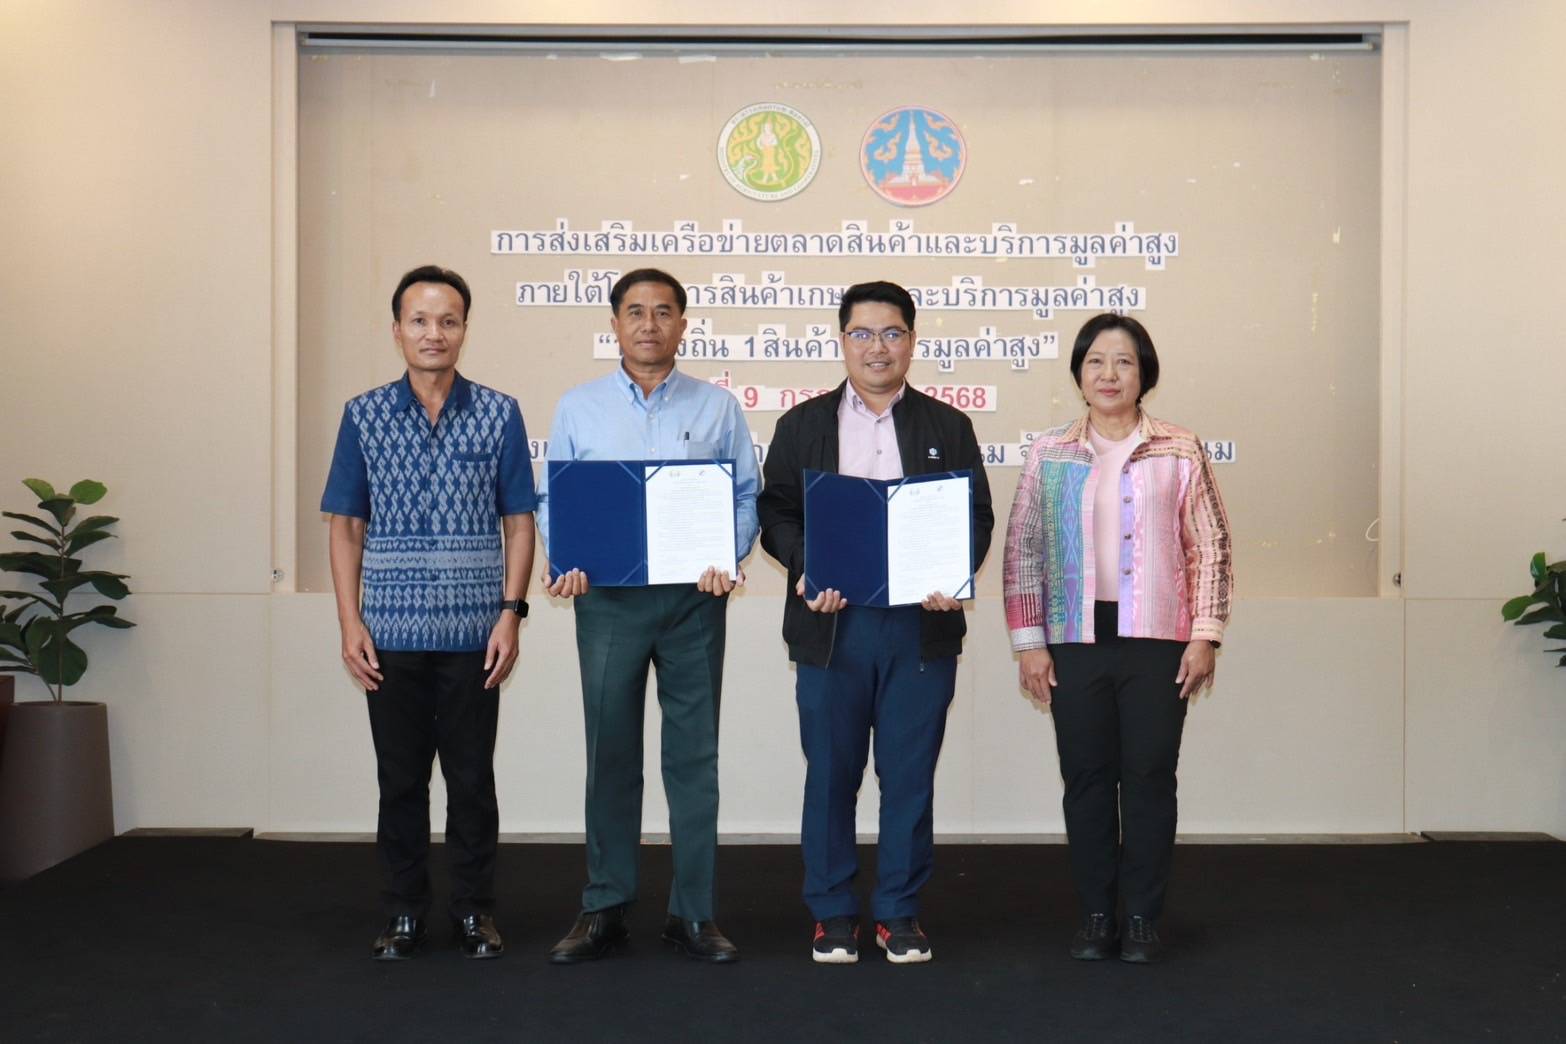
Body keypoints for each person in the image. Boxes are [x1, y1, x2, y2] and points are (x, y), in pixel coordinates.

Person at [758, 280, 994, 965]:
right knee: (830, 773)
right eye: (862, 333)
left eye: (892, 333)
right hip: (833, 625)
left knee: (909, 773)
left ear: (912, 342)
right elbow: (776, 512)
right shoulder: (802, 425)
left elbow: (974, 515)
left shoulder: (949, 426)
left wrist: (953, 573)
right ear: (841, 341)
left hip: (919, 628)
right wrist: (805, 566)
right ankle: (831, 912)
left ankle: (899, 910)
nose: (877, 347)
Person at [536, 268, 759, 964]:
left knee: (694, 760)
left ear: (683, 326)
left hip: (694, 601)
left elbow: (745, 495)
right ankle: (604, 906)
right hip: (606, 602)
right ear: (615, 324)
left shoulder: (718, 407)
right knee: (610, 756)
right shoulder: (578, 407)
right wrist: (564, 557)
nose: (649, 325)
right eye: (635, 312)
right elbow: (554, 501)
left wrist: (730, 553)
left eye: (664, 312)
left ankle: (693, 914)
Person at [321, 265, 537, 961]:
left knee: (473, 780)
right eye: (419, 320)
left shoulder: (500, 412)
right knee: (401, 781)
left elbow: (520, 523)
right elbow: (346, 525)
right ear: (397, 331)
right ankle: (404, 912)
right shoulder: (363, 414)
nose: (433, 333)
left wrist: (510, 614)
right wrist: (351, 622)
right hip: (389, 635)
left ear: (465, 330)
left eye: (447, 320)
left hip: (477, 634)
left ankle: (475, 911)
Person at [1003, 313, 1232, 964]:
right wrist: (1029, 642)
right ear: (1079, 373)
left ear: (1144, 374)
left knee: (1151, 777)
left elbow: (1210, 546)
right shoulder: (1051, 451)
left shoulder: (1179, 448)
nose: (1109, 374)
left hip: (1159, 638)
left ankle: (1141, 917)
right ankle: (1096, 913)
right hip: (1074, 638)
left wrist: (1205, 634)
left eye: (1124, 362)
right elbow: (1024, 552)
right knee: (1087, 778)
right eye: (1097, 361)